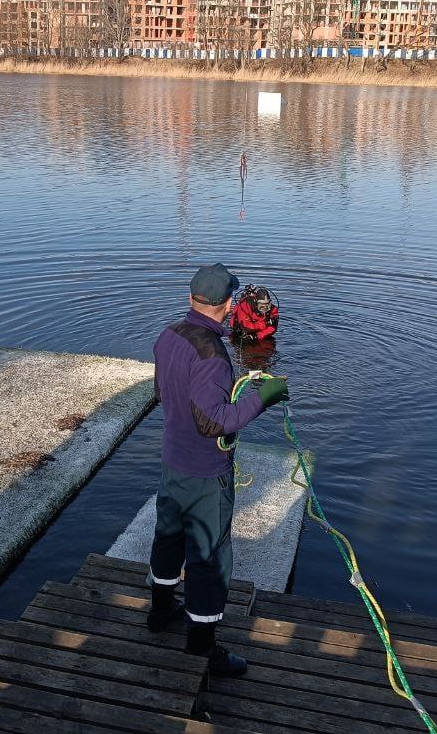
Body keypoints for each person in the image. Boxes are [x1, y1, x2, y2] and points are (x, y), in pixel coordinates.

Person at [147, 263, 290, 676]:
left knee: (168, 538)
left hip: (173, 462)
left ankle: (159, 613)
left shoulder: (168, 335)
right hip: (206, 474)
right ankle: (202, 648)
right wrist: (263, 396)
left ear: (191, 298)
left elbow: (163, 393)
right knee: (209, 558)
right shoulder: (212, 354)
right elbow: (214, 422)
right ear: (228, 305)